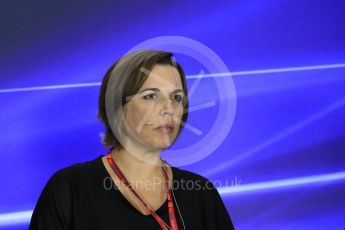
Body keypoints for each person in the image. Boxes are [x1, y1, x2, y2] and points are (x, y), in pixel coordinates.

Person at [29, 50, 235, 229]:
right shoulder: (70, 189)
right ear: (116, 107)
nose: (169, 108)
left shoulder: (201, 193)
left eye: (177, 97)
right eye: (150, 96)